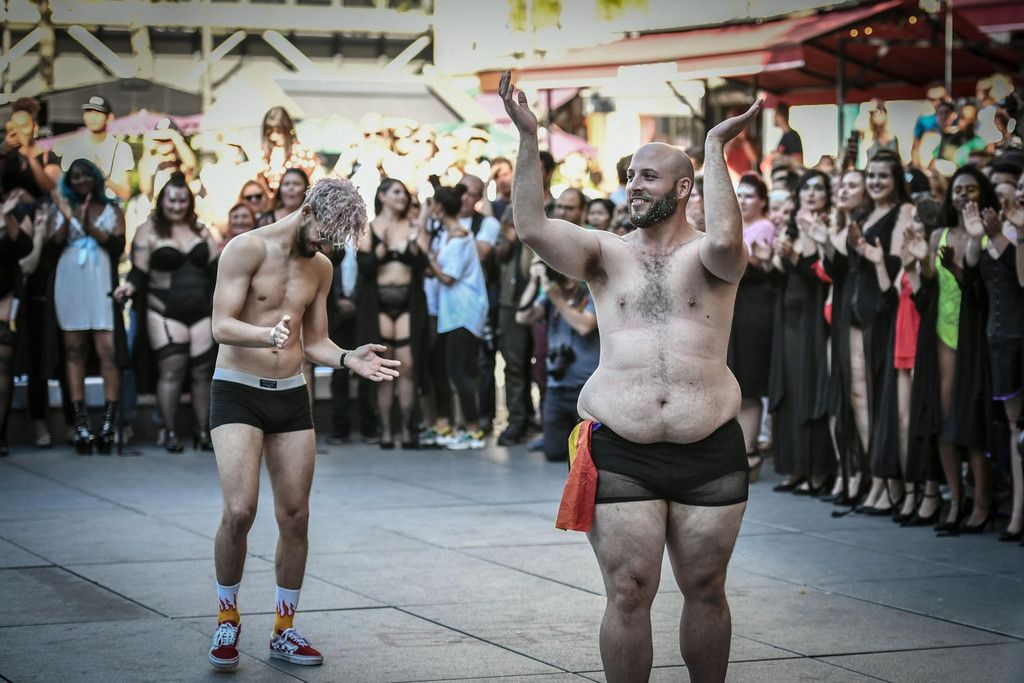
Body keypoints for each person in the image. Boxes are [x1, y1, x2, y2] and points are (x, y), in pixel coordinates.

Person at [501, 70, 759, 683]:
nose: (632, 186)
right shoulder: (603, 252)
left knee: (706, 588)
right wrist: (529, 138)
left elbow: (728, 238)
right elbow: (532, 226)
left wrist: (715, 147)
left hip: (710, 449)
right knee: (627, 589)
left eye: (647, 176)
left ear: (684, 186)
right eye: (629, 176)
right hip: (622, 448)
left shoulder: (711, 257)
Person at [205, 177, 398, 671]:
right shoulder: (246, 248)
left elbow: (314, 341)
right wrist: (265, 334)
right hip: (237, 390)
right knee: (240, 511)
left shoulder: (321, 267)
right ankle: (227, 618)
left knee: (295, 516)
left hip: (291, 396)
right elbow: (220, 325)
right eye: (322, 235)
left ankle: (284, 630)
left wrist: (348, 358)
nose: (323, 246)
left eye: (333, 242)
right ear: (307, 209)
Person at [115, 173, 219, 452]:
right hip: (164, 310)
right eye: (172, 200)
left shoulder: (200, 230)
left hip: (201, 310)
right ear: (162, 201)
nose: (177, 205)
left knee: (203, 373)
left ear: (190, 202)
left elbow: (217, 267)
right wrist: (128, 289)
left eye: (182, 200)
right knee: (172, 371)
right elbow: (138, 272)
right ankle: (169, 431)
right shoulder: (148, 230)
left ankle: (203, 431)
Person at [51, 160, 127, 454]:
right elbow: (53, 244)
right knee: (74, 350)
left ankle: (108, 424)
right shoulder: (62, 207)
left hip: (100, 280)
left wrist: (89, 226)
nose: (81, 180)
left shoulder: (113, 210)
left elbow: (117, 246)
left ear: (95, 178)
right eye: (75, 176)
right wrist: (67, 216)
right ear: (69, 182)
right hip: (70, 280)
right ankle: (81, 423)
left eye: (86, 175)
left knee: (108, 351)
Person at [355, 178, 428, 448]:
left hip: (408, 303)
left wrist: (413, 245)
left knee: (407, 367)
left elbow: (422, 263)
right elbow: (365, 267)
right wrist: (382, 249)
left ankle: (408, 428)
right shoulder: (370, 228)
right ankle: (386, 429)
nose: (402, 197)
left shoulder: (413, 226)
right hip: (380, 304)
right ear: (382, 196)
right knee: (385, 369)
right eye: (396, 192)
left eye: (404, 193)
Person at [422, 184, 489, 450]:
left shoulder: (461, 237)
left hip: (465, 311)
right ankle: (452, 424)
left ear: (439, 207)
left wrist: (427, 256)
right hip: (451, 313)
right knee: (443, 366)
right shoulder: (448, 235)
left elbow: (447, 277)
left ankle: (473, 430)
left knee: (460, 370)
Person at [515, 262, 599, 462]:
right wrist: (534, 282)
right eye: (560, 271)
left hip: (585, 388)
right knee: (554, 453)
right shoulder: (549, 299)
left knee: (588, 452)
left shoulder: (591, 295)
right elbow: (522, 316)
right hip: (557, 389)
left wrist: (556, 298)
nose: (567, 276)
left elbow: (584, 326)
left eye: (570, 270)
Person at [730, 174, 776, 480]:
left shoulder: (765, 227)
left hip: (754, 308)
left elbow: (755, 263)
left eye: (749, 195)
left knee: (749, 383)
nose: (743, 201)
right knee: (736, 379)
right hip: (735, 308)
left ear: (762, 200)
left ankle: (749, 452)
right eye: (740, 195)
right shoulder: (734, 225)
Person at [495, 205, 536, 446]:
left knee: (539, 366)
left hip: (539, 303)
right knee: (514, 365)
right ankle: (518, 420)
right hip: (511, 304)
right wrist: (509, 234)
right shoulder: (508, 216)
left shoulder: (546, 212)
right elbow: (499, 255)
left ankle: (538, 419)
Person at [0, 191, 35, 455]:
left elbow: (24, 247)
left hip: (5, 298)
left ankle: (1, 433)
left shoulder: (12, 210)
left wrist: (6, 216)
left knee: (2, 365)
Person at [55, 95, 134, 201]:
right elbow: (64, 188)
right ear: (84, 116)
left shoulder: (121, 148)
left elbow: (125, 194)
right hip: (80, 206)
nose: (93, 117)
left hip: (109, 207)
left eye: (98, 112)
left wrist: (100, 174)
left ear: (109, 118)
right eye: (89, 112)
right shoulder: (73, 146)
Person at [257, 106, 320, 193]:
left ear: (286, 128)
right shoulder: (263, 154)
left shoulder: (302, 153)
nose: (274, 136)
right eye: (269, 131)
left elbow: (316, 183)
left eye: (278, 131)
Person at [911, 84, 948, 169]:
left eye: (941, 99)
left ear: (947, 97)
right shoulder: (924, 120)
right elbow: (915, 147)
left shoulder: (959, 119)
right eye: (933, 99)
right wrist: (918, 169)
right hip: (927, 168)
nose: (937, 102)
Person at [771, 102, 803, 169]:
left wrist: (779, 157)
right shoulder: (785, 136)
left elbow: (798, 161)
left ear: (781, 116)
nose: (773, 117)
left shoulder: (792, 136)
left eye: (776, 114)